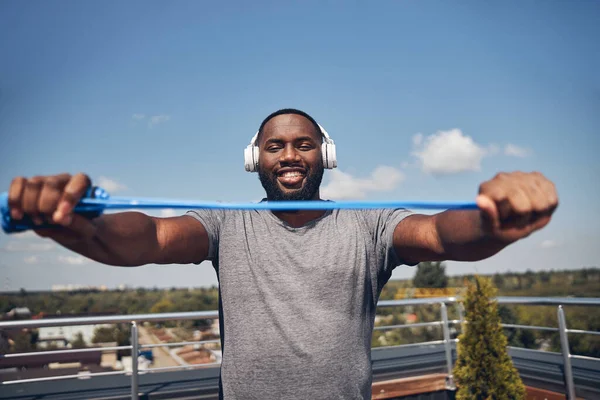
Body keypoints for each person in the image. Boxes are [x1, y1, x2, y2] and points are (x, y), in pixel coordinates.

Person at [6, 108, 558, 399]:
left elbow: (441, 234)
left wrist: (494, 219)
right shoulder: (226, 226)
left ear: (326, 156)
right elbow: (147, 239)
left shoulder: (369, 225)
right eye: (276, 146)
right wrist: (74, 224)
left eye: (303, 144)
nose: (290, 155)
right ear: (256, 159)